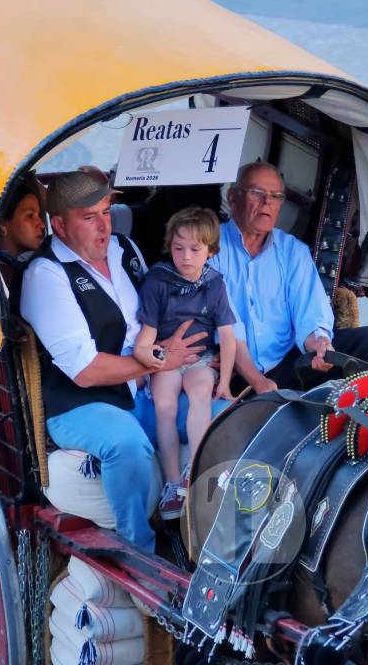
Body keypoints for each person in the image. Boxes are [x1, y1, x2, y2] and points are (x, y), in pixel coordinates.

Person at [19, 169, 205, 551]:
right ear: (60, 225)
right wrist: (160, 361)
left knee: (223, 415)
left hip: (145, 392)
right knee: (126, 445)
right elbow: (85, 371)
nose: (104, 226)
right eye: (89, 218)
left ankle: (211, 540)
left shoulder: (124, 250)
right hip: (82, 404)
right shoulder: (47, 275)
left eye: (106, 212)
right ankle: (141, 551)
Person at [211, 161, 368, 392]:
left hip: (285, 365)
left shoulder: (292, 251)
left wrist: (319, 343)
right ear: (232, 197)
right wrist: (258, 382)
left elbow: (310, 312)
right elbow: (230, 328)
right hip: (234, 370)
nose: (267, 202)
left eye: (276, 195)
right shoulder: (210, 247)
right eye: (257, 193)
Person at [133, 208, 237, 520]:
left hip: (200, 359)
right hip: (164, 361)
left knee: (201, 390)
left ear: (211, 251)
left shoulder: (215, 284)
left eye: (195, 250)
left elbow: (228, 337)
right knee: (164, 405)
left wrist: (227, 381)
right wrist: (159, 361)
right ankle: (171, 481)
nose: (186, 257)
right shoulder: (158, 282)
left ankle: (196, 470)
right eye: (178, 248)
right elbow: (146, 339)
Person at [0, 179, 46, 300]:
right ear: (3, 224)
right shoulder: (1, 277)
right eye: (30, 215)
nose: (42, 225)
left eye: (39, 215)